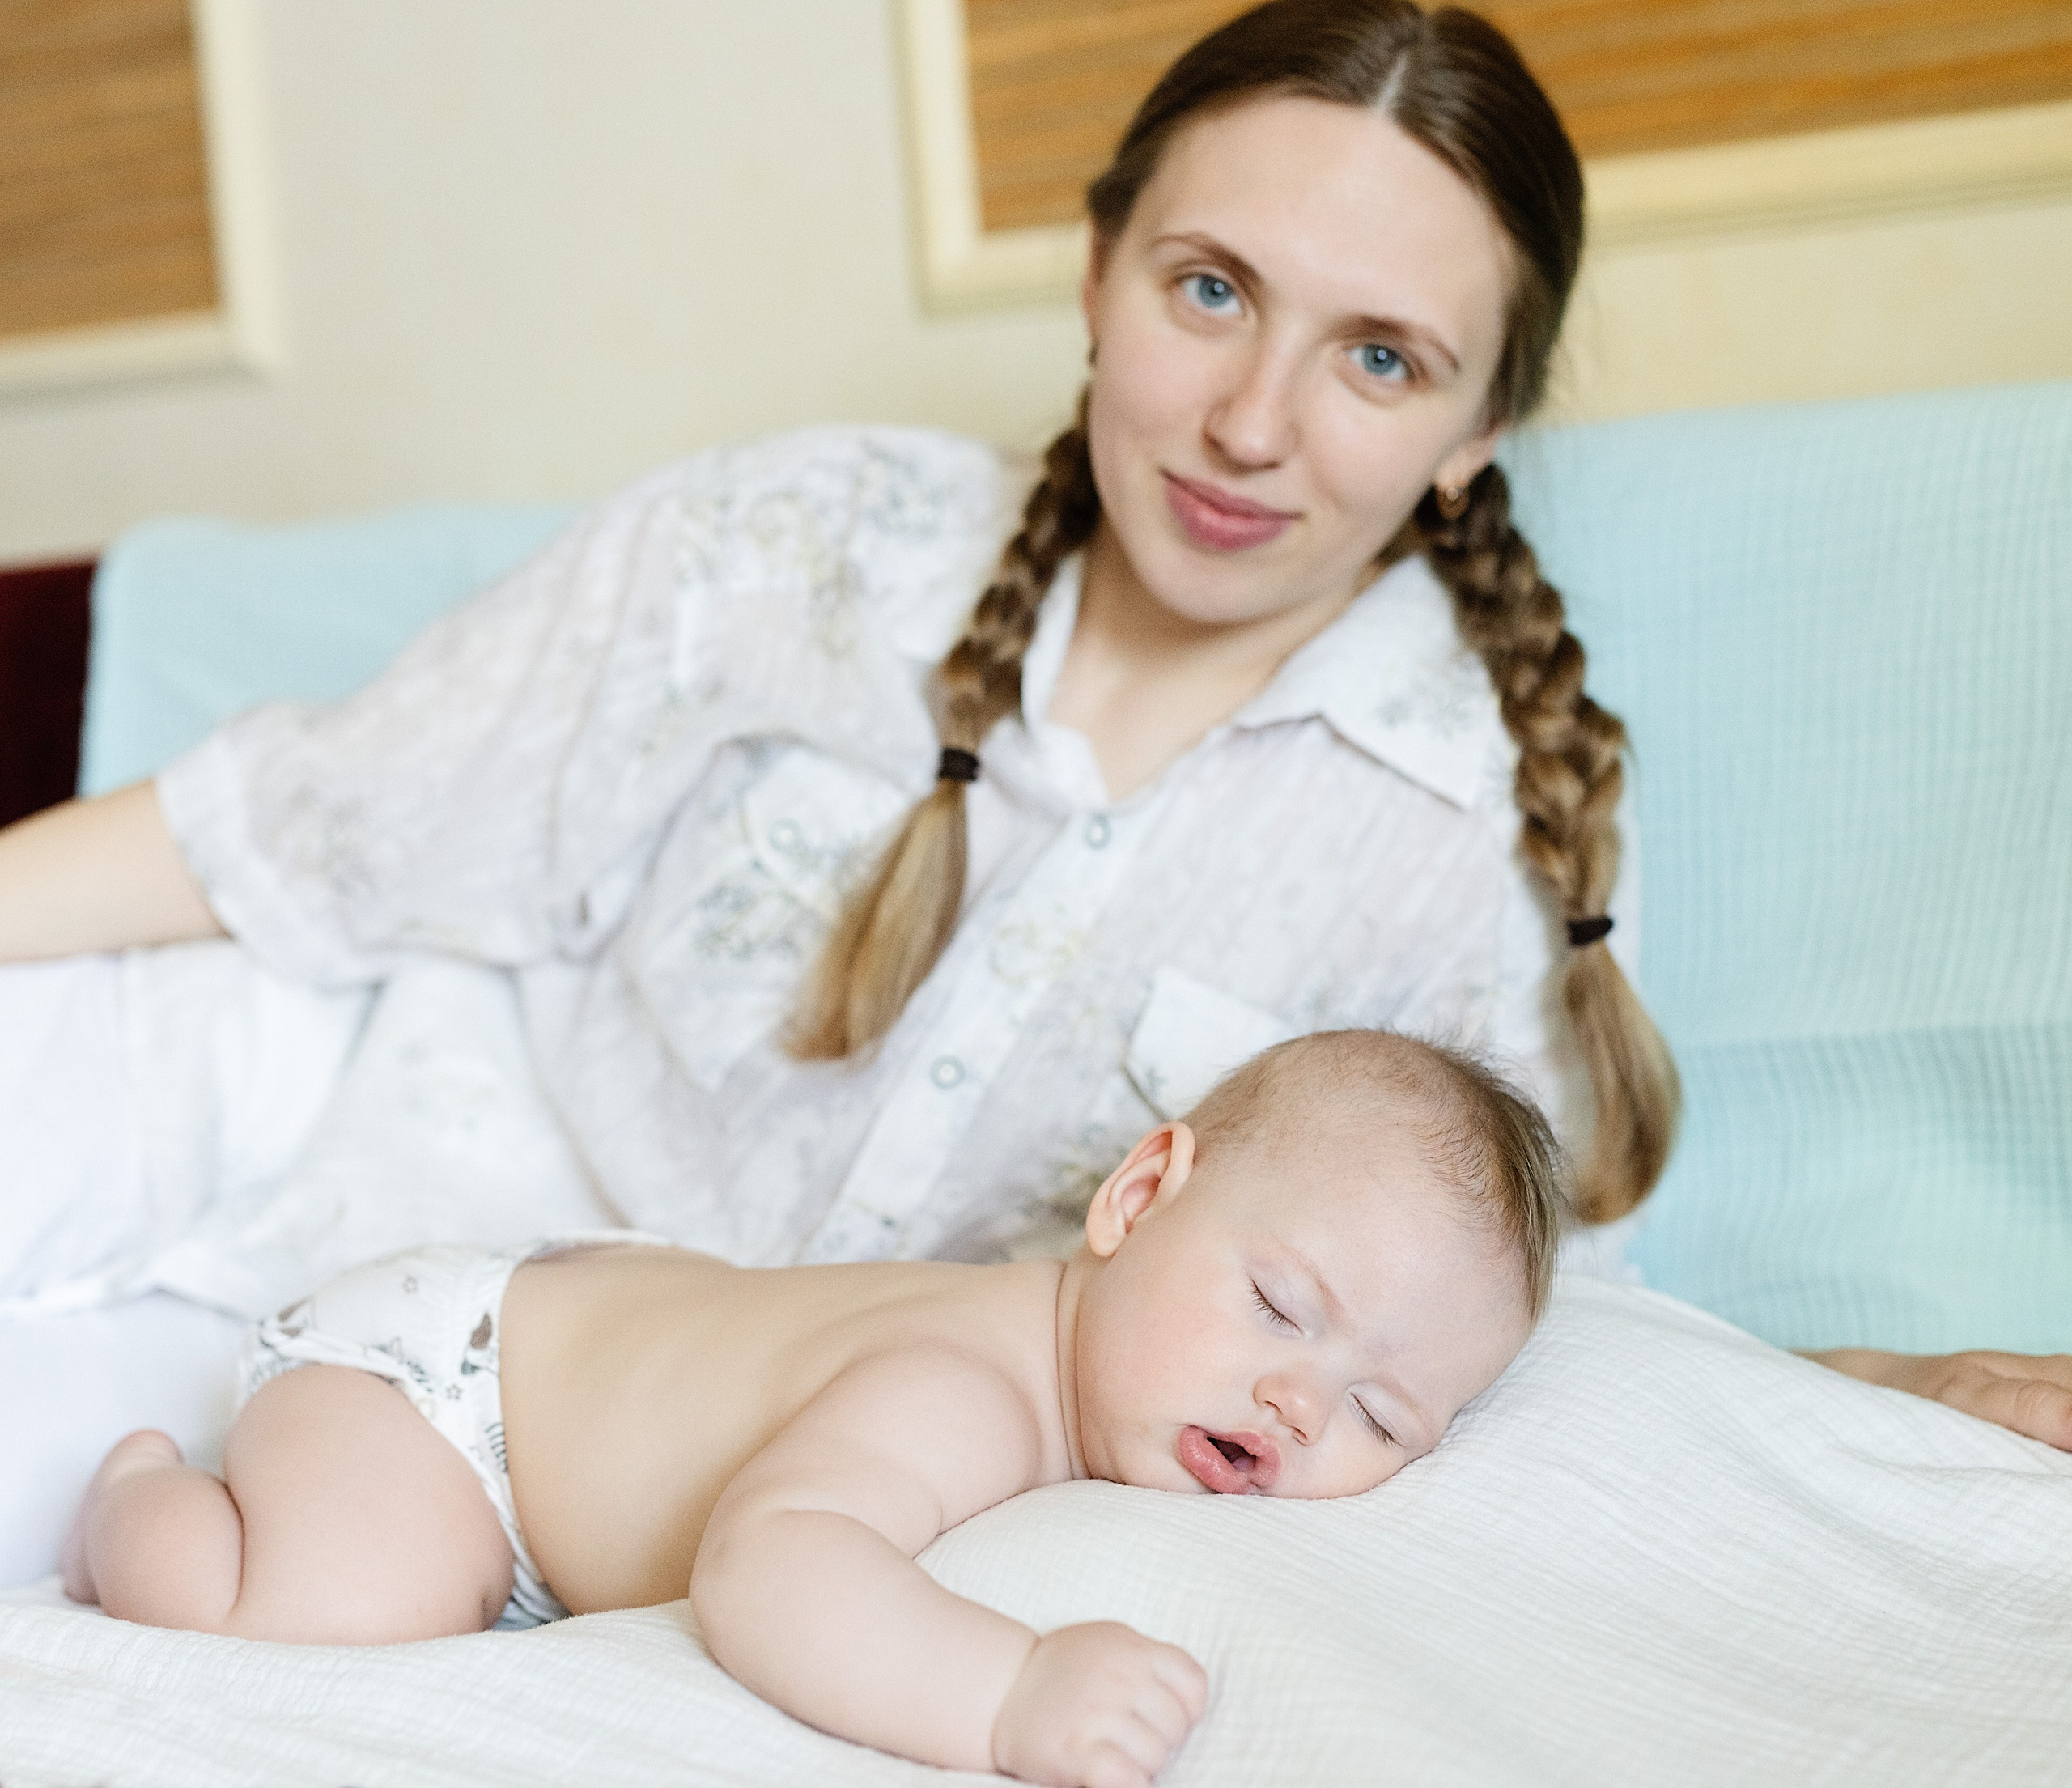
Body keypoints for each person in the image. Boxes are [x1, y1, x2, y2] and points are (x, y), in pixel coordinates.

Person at [1, 0, 2066, 1526]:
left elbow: (1506, 1341)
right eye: (1208, 289)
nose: (1250, 421)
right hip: (301, 1079)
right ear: (1094, 274)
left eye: (1377, 359)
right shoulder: (800, 535)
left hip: (520, 1411)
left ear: (1472, 438)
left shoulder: (1460, 845)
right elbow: (304, 826)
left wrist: (1871, 1389)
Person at [62, 1032, 1558, 1787]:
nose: (1299, 1400)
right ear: (1137, 1194)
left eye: (1381, 1415)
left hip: (614, 1330)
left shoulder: (1098, 1393)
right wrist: (1011, 1690)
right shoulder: (970, 1391)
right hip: (456, 1398)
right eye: (1280, 1306)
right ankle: (144, 1503)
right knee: (348, 1614)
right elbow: (770, 1562)